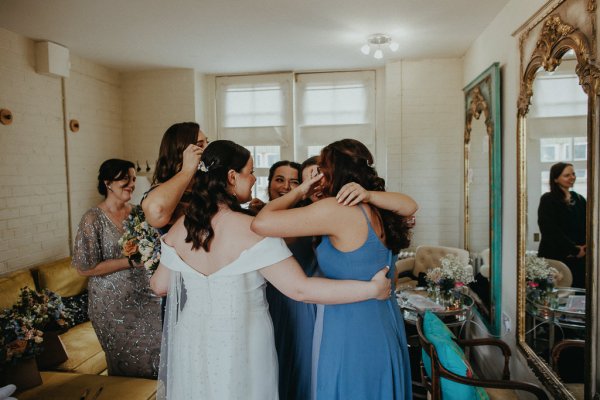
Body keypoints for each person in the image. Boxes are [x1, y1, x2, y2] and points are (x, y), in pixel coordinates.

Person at [149, 140, 391, 400]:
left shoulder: (180, 228)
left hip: (191, 338)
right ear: (232, 177)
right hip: (241, 340)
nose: (254, 179)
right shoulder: (252, 230)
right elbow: (300, 289)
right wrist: (372, 289)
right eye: (250, 171)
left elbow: (159, 286)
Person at [252, 139, 417, 400]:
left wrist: (300, 190)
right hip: (384, 320)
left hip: (350, 325)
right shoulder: (380, 208)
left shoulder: (337, 209)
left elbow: (261, 223)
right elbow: (410, 206)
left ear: (334, 171)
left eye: (322, 169)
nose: (318, 176)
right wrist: (369, 194)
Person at [72, 159, 162, 379]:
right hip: (111, 305)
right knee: (129, 364)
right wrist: (130, 261)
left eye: (132, 179)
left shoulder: (139, 213)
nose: (131, 184)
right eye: (125, 179)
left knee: (161, 345)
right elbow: (85, 268)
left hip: (146, 294)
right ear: (107, 182)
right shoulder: (92, 218)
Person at [142, 122, 209, 232]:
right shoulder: (159, 192)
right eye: (200, 145)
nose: (208, 149)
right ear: (180, 153)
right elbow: (156, 211)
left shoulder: (205, 189)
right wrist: (186, 170)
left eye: (207, 143)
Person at [538, 162, 587, 288]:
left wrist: (584, 248)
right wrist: (573, 249)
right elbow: (549, 229)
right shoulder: (548, 199)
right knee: (556, 295)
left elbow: (588, 225)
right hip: (556, 256)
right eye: (566, 175)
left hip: (579, 257)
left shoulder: (579, 198)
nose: (572, 177)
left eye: (573, 174)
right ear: (555, 179)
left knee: (578, 294)